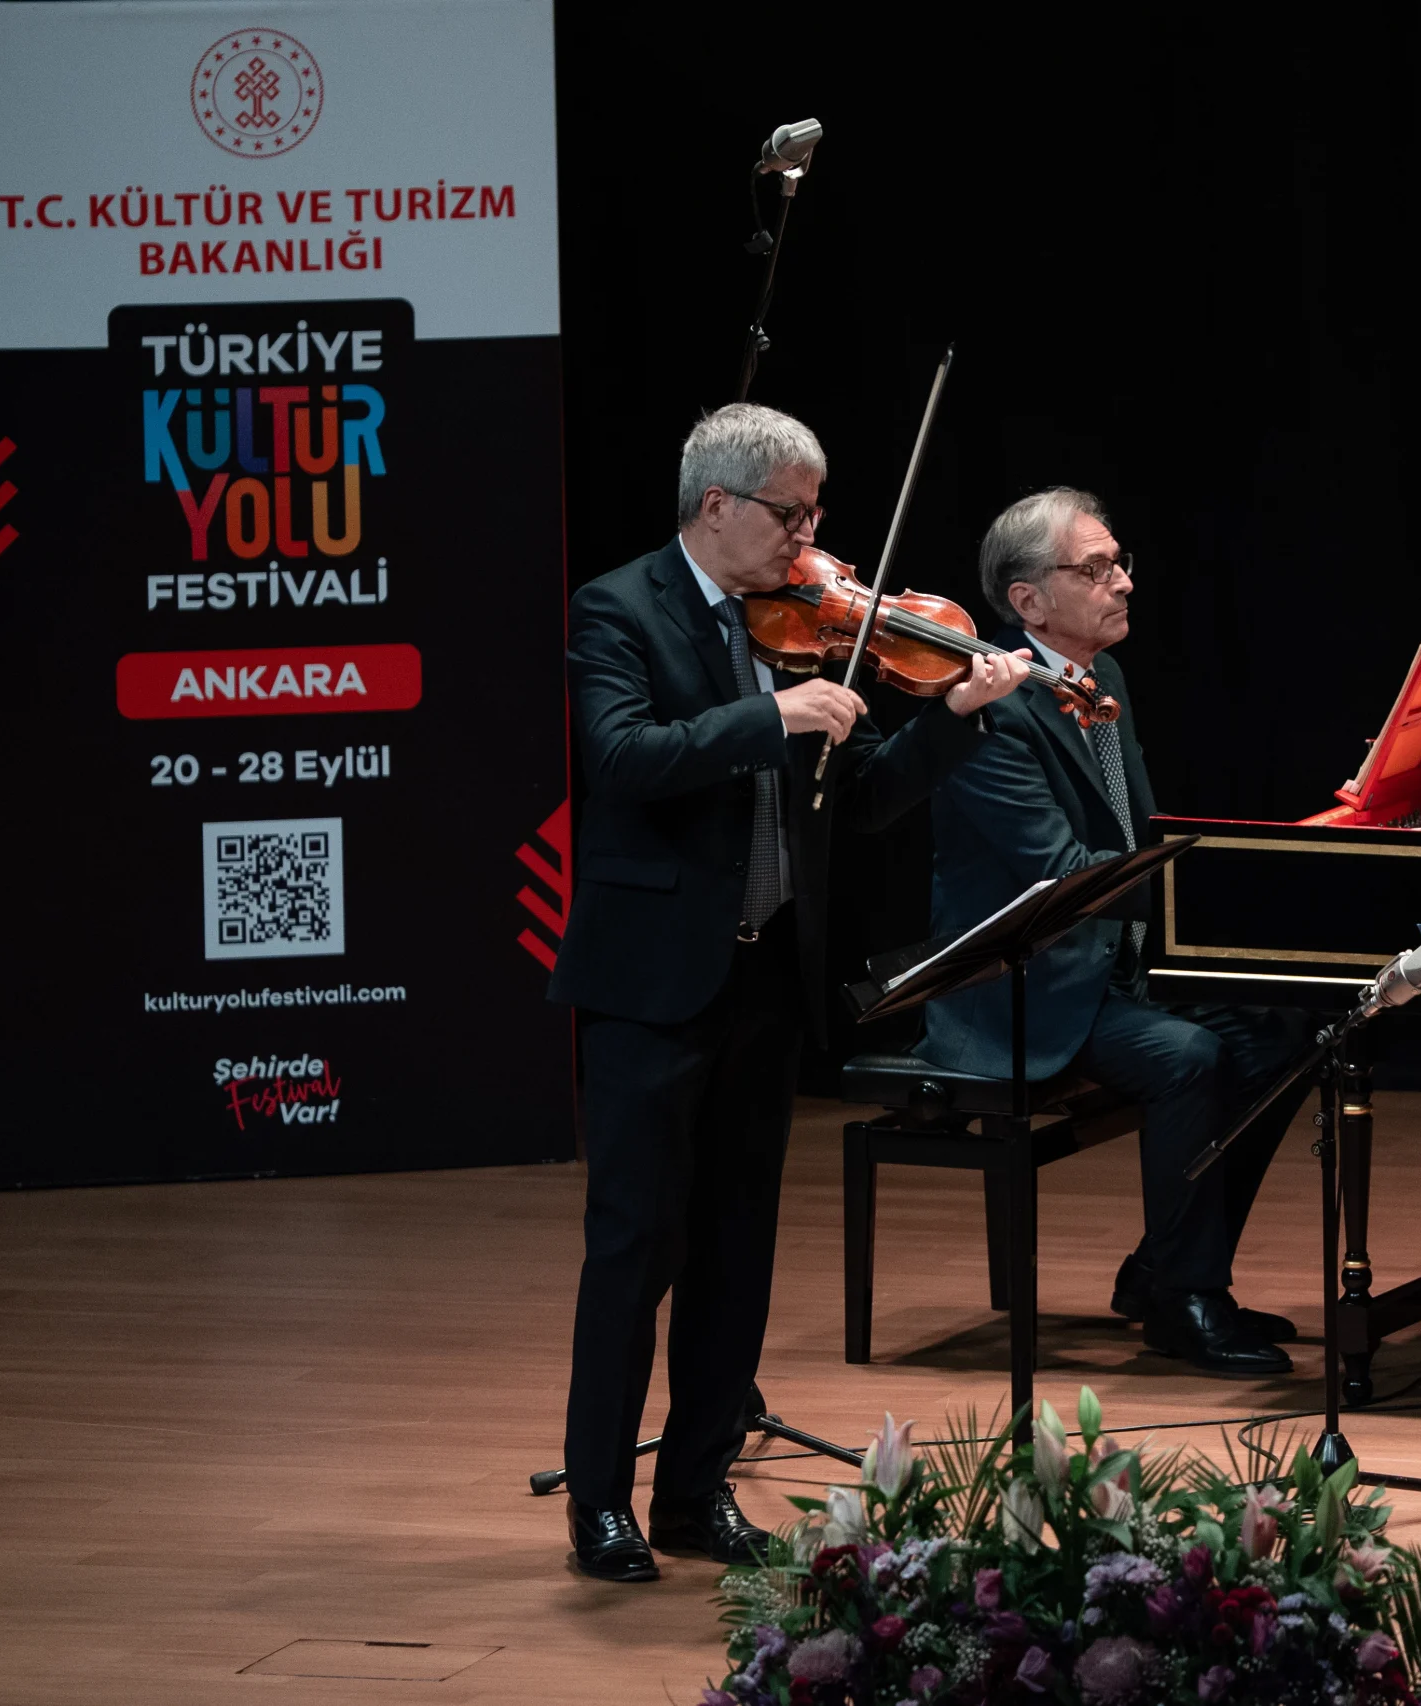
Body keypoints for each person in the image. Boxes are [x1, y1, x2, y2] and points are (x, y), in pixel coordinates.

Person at [548, 403, 1027, 1582]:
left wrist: (952, 718)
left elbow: (858, 799)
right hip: (652, 982)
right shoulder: (618, 608)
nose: (810, 540)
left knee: (735, 1247)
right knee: (636, 1245)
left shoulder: (800, 625)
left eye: (815, 514)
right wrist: (767, 714)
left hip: (764, 972)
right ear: (716, 505)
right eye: (791, 514)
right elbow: (621, 757)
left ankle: (694, 1489)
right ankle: (599, 1499)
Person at [917, 487, 1312, 1377]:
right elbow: (1066, 877)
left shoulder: (1102, 680)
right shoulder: (988, 711)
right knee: (1187, 1057)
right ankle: (1187, 1299)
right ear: (1027, 600)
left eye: (1119, 563)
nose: (1125, 583)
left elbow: (1136, 835)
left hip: (1116, 965)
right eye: (1096, 570)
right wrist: (1221, 896)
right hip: (1025, 983)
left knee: (1286, 1033)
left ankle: (1161, 1268)